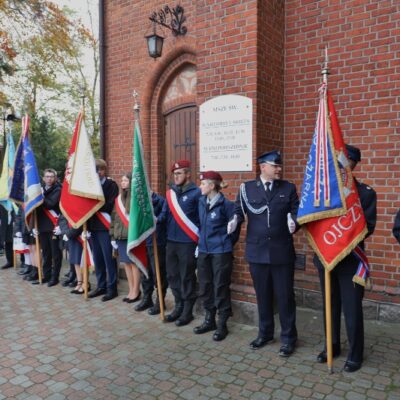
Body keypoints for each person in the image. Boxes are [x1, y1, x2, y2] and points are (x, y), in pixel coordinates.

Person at [228, 150, 299, 357]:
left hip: (282, 252)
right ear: (263, 167)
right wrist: (234, 220)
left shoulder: (288, 188)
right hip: (257, 251)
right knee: (263, 296)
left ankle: (288, 338)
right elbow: (238, 210)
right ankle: (265, 333)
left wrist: (294, 221)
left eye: (280, 165)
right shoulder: (247, 188)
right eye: (275, 166)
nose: (279, 169)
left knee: (285, 297)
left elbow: (296, 210)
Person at [313, 144, 377, 372]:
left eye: (343, 161)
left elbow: (368, 226)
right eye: (337, 161)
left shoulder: (366, 194)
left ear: (353, 164)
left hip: (350, 260)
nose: (339, 165)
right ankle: (331, 346)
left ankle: (355, 354)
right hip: (326, 258)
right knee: (329, 306)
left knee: (351, 309)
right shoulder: (323, 193)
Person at [194, 171, 238, 341]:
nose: (200, 186)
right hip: (204, 250)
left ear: (212, 186)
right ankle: (209, 320)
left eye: (203, 183)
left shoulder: (227, 205)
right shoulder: (200, 202)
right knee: (205, 286)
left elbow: (234, 231)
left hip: (220, 252)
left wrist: (225, 245)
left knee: (220, 286)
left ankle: (222, 324)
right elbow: (200, 225)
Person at [165, 160, 201, 326]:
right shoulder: (171, 193)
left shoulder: (196, 193)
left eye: (179, 173)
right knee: (172, 274)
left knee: (186, 276)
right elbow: (165, 215)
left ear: (188, 174)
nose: (176, 176)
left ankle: (187, 310)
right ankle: (178, 305)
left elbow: (201, 219)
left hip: (187, 242)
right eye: (174, 174)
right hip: (171, 241)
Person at [88, 159, 119, 301]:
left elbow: (110, 205)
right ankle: (101, 286)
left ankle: (112, 288)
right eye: (95, 170)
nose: (98, 172)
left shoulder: (111, 185)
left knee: (109, 259)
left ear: (104, 171)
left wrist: (96, 201)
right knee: (98, 259)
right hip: (93, 227)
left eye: (100, 170)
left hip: (105, 227)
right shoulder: (89, 186)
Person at [134, 191, 168, 315]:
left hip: (157, 241)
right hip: (143, 240)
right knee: (145, 271)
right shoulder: (138, 202)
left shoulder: (161, 200)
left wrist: (154, 218)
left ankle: (160, 301)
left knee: (158, 272)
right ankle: (147, 298)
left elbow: (164, 217)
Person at [110, 173, 141, 303]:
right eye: (121, 180)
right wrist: (113, 236)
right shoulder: (118, 199)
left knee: (134, 263)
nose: (122, 182)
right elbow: (113, 218)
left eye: (125, 180)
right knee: (126, 263)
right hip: (120, 236)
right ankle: (130, 289)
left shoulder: (136, 197)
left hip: (131, 236)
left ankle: (136, 291)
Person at [33, 168, 62, 286]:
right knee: (46, 253)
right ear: (43, 178)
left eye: (51, 176)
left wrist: (40, 196)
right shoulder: (42, 190)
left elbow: (50, 204)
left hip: (53, 225)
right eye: (47, 176)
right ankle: (47, 275)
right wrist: (34, 226)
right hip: (42, 225)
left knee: (55, 254)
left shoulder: (58, 189)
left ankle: (55, 278)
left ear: (55, 178)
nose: (49, 178)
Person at [58, 214, 88, 294]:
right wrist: (66, 232)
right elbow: (62, 219)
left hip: (79, 234)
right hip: (70, 234)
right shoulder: (65, 203)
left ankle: (85, 283)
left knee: (81, 260)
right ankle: (79, 282)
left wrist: (70, 233)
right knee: (75, 260)